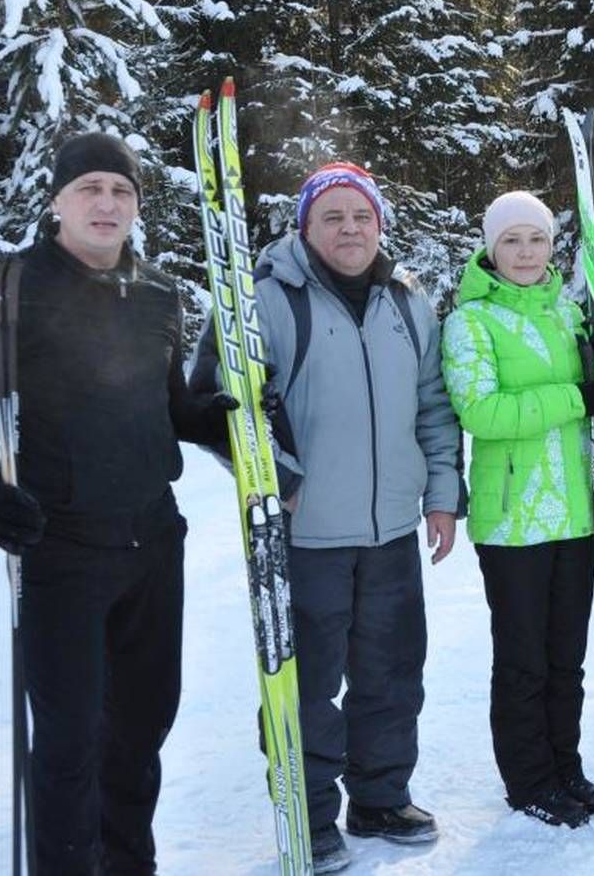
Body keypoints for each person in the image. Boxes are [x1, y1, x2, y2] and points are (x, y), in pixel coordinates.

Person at [0, 133, 235, 875]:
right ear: (57, 200)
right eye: (90, 187)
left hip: (155, 544)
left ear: (136, 206)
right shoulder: (8, 289)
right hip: (59, 550)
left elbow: (172, 412)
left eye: (121, 191)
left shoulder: (158, 293)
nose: (107, 203)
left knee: (140, 733)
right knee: (67, 744)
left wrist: (219, 416)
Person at [191, 161, 462, 873]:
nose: (350, 229)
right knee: (306, 684)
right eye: (333, 217)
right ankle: (309, 812)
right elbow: (215, 403)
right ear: (305, 227)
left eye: (361, 216)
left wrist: (440, 494)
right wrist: (273, 474)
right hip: (302, 534)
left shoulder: (408, 302)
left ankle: (381, 796)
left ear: (380, 224)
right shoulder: (264, 300)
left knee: (393, 672)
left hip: (391, 531)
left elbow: (433, 405)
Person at [440, 190, 594, 828]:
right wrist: (576, 395)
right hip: (514, 517)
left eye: (536, 239)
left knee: (566, 657)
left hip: (574, 512)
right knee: (523, 659)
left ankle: (564, 766)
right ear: (491, 248)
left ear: (552, 246)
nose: (524, 252)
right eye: (511, 240)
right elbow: (481, 414)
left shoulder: (568, 312)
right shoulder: (470, 321)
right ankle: (529, 780)